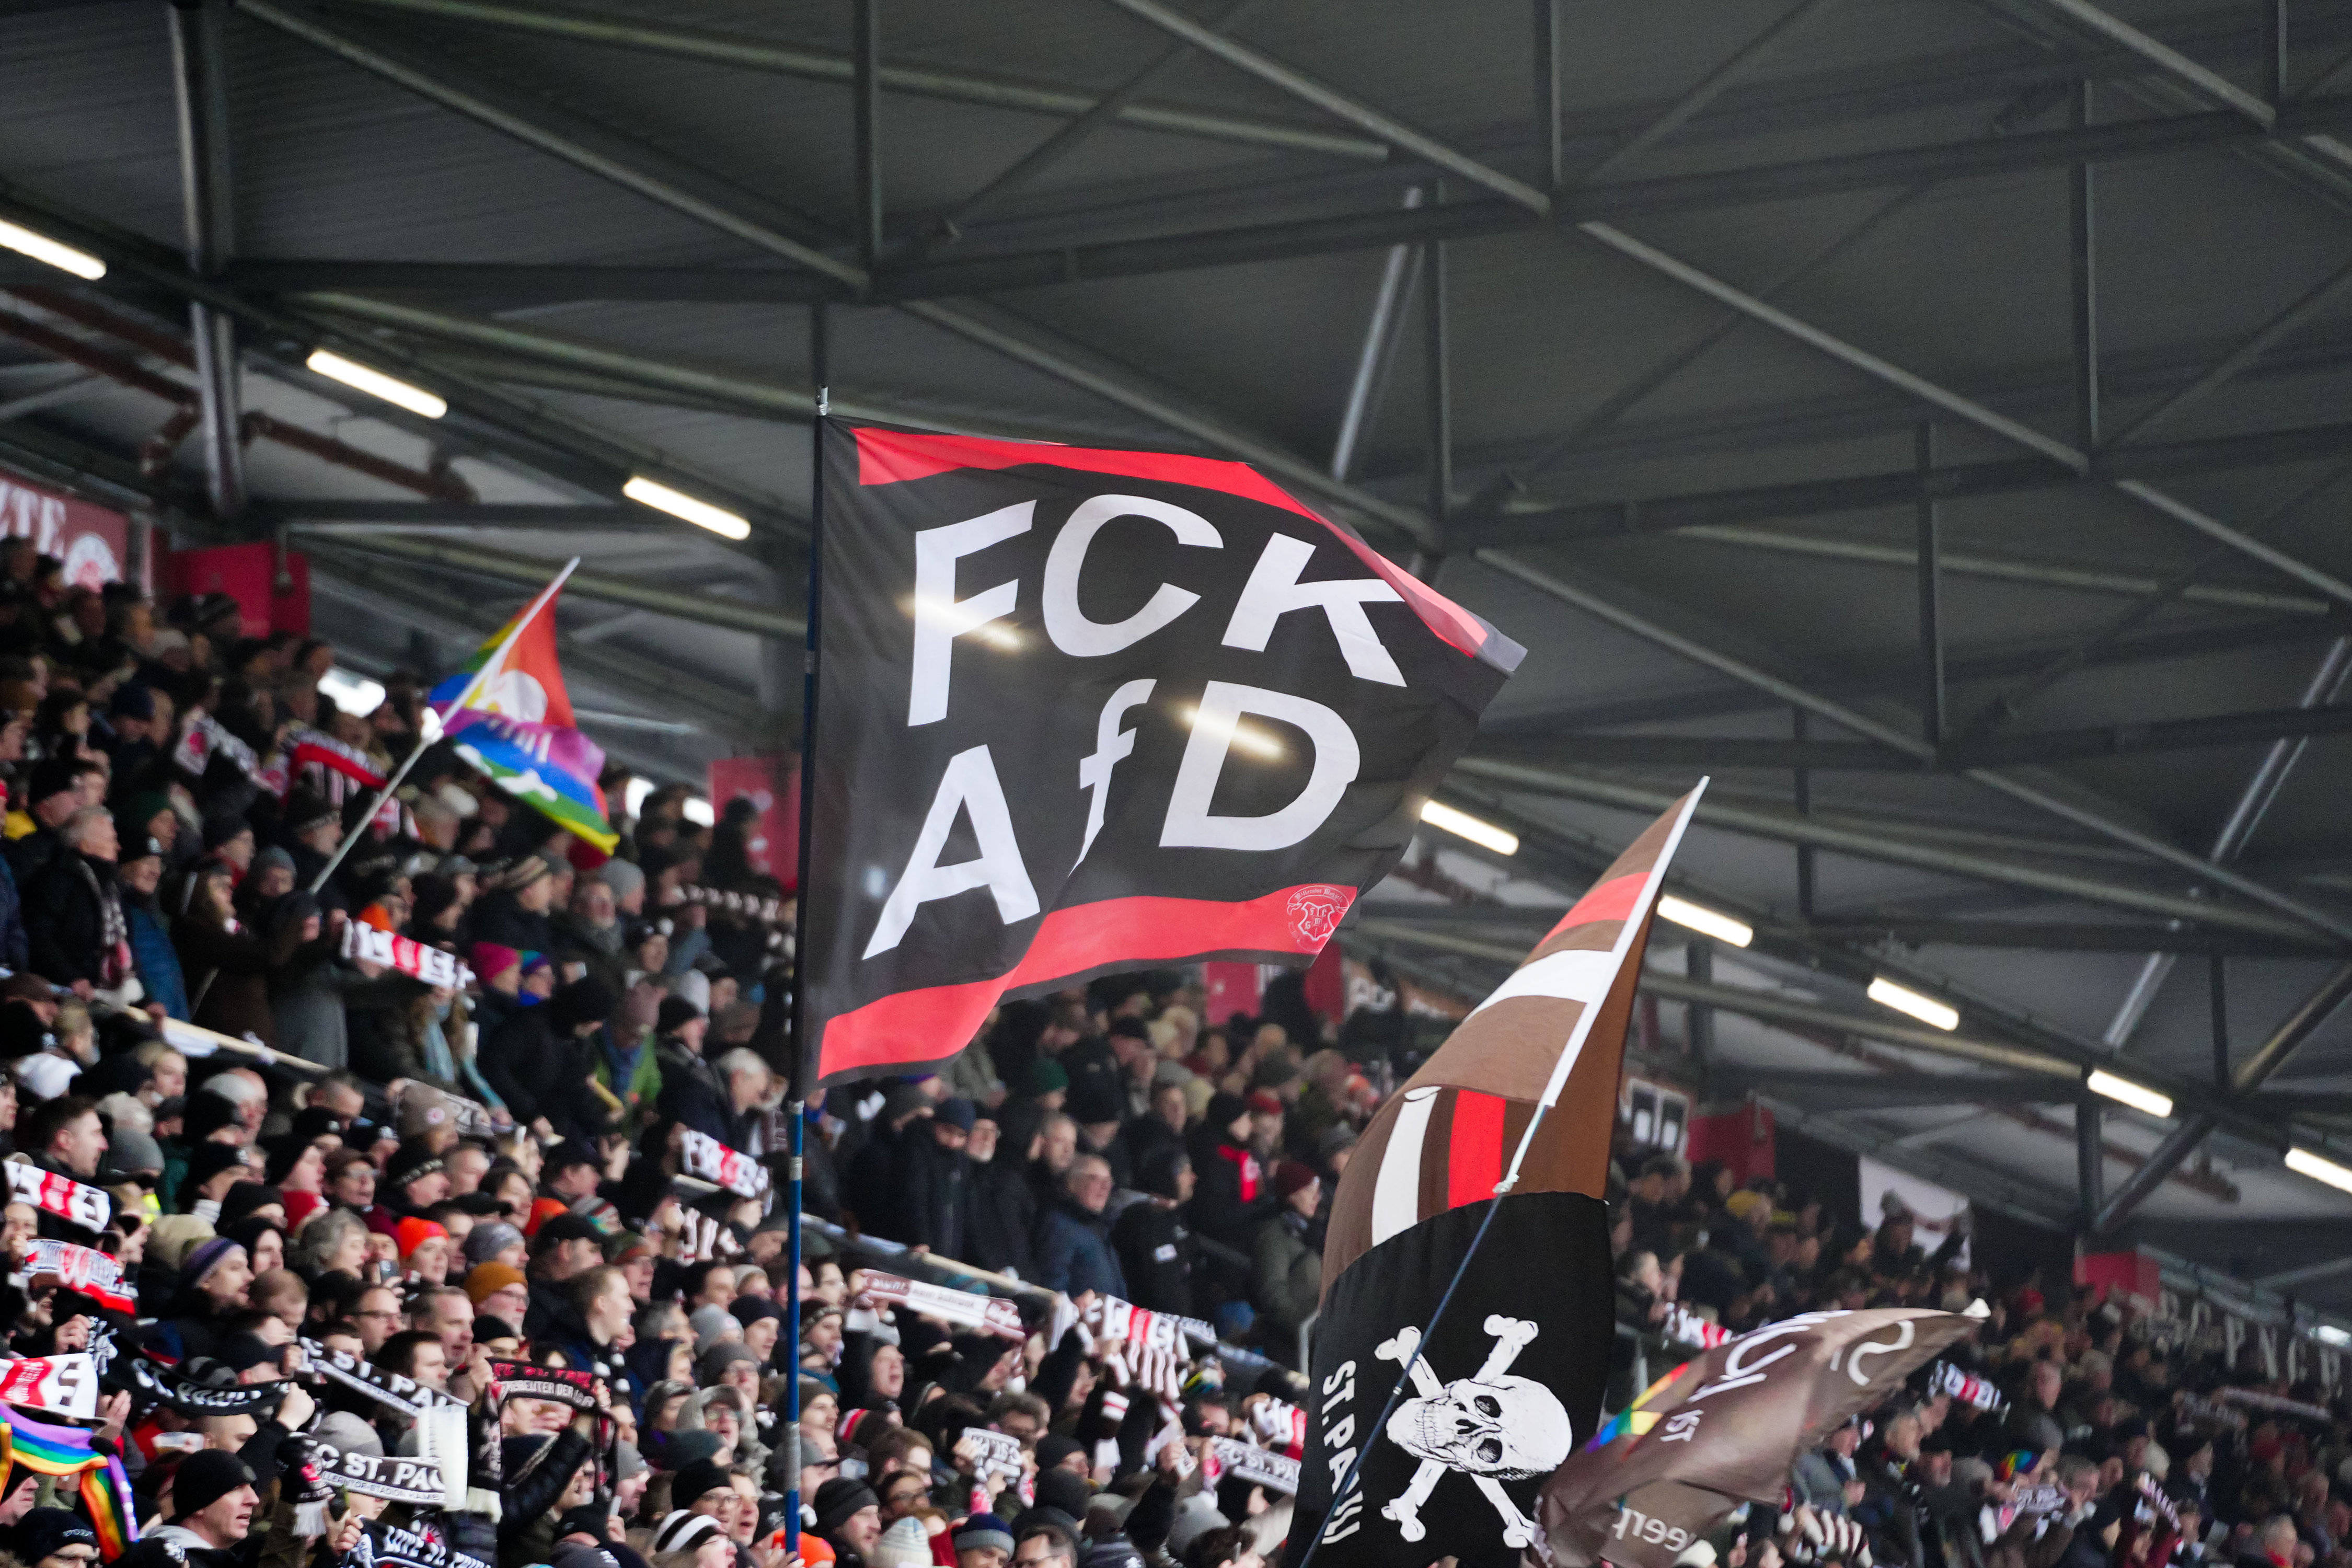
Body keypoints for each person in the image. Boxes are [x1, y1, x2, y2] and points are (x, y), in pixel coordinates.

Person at [1032, 1155, 1125, 1298]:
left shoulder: (1101, 1228)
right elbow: (1052, 1287)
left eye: (1108, 1181)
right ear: (1071, 1184)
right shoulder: (1059, 1226)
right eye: (1094, 1179)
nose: (1105, 1187)